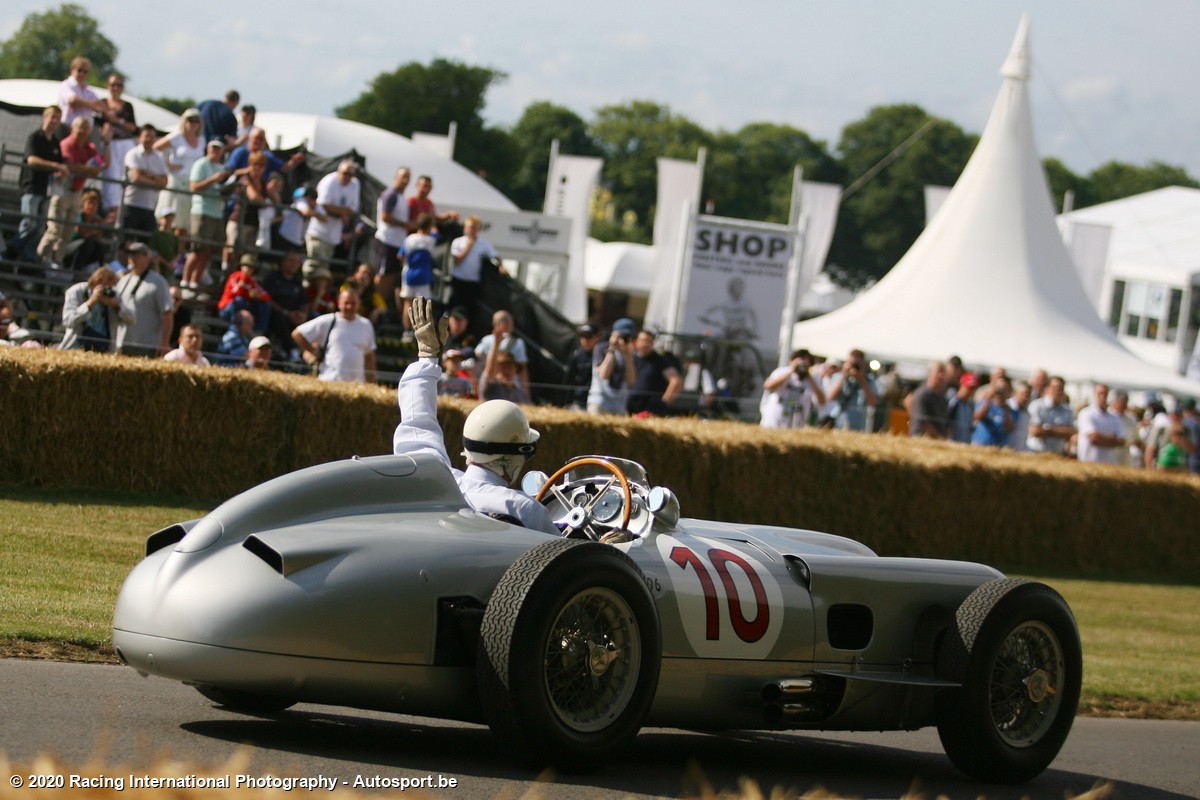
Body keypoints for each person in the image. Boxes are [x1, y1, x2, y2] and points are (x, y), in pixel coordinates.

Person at [393, 297, 556, 535]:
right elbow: (572, 561)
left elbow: (417, 425)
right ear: (511, 458)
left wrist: (427, 358)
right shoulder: (524, 509)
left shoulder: (436, 483)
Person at [38, 115, 107, 266]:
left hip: (77, 192)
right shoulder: (67, 144)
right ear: (72, 129)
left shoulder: (90, 148)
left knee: (67, 233)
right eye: (80, 128)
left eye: (86, 129)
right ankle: (40, 260)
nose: (82, 132)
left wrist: (106, 143)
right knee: (54, 230)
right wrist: (88, 169)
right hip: (62, 190)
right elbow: (70, 166)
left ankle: (57, 261)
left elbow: (102, 165)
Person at [13, 106, 68, 264]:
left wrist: (61, 171)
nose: (54, 121)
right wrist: (55, 166)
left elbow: (61, 163)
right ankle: (12, 250)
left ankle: (27, 257)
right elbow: (32, 160)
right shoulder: (35, 137)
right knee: (29, 223)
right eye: (52, 117)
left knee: (39, 227)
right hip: (31, 187)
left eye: (58, 118)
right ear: (45, 117)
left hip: (47, 190)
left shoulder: (56, 143)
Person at [180, 140, 231, 300]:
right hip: (202, 211)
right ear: (207, 149)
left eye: (219, 149)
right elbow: (194, 187)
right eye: (213, 148)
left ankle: (194, 284)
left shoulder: (221, 168)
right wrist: (215, 179)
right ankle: (185, 282)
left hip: (217, 213)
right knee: (197, 249)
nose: (216, 151)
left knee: (208, 251)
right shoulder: (201, 164)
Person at [292, 288, 377, 383]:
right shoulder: (328, 321)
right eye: (346, 303)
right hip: (329, 381)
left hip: (356, 385)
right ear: (339, 303)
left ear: (359, 303)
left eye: (353, 303)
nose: (349, 307)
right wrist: (314, 351)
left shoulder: (366, 325)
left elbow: (369, 356)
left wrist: (371, 382)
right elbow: (297, 334)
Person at [113, 242, 173, 357]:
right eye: (130, 255)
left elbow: (167, 313)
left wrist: (164, 343)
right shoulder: (123, 281)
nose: (132, 258)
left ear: (147, 257)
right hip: (123, 341)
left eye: (137, 255)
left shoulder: (158, 282)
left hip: (147, 344)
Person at [58, 267, 134, 352]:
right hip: (76, 347)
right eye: (103, 283)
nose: (106, 288)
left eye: (110, 284)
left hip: (104, 349)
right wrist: (90, 303)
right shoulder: (77, 291)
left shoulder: (114, 295)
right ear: (95, 281)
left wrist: (115, 305)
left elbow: (131, 320)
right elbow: (68, 321)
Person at [153, 108, 205, 229]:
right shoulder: (177, 136)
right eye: (190, 120)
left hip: (191, 183)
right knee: (169, 215)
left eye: (196, 120)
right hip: (176, 180)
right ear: (184, 121)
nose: (193, 123)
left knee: (184, 222)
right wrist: (168, 164)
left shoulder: (201, 140)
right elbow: (156, 148)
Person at [306, 159, 360, 265]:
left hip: (333, 236)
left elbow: (354, 209)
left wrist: (339, 211)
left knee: (324, 269)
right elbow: (324, 205)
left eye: (350, 174)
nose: (347, 177)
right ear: (338, 171)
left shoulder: (355, 184)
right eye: (345, 173)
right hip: (318, 233)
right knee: (314, 267)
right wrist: (343, 213)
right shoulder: (329, 181)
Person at [122, 124, 169, 241]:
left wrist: (148, 175)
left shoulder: (158, 157)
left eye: (152, 136)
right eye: (146, 136)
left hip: (149, 207)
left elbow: (165, 181)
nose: (149, 139)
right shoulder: (133, 154)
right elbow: (137, 177)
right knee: (127, 242)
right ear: (139, 137)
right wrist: (155, 182)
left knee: (146, 243)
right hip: (131, 203)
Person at [99, 72, 139, 210]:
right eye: (113, 85)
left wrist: (117, 120)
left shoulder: (127, 106)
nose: (116, 88)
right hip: (109, 143)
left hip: (125, 142)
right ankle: (110, 207)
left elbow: (133, 127)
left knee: (125, 174)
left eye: (119, 85)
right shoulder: (102, 103)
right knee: (110, 175)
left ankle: (124, 206)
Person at [374, 166, 412, 308]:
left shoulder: (402, 197)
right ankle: (376, 305)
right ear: (396, 177)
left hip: (396, 243)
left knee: (390, 276)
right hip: (386, 240)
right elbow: (385, 216)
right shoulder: (391, 194)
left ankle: (381, 306)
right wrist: (406, 224)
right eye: (403, 176)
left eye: (408, 177)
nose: (405, 180)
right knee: (383, 275)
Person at [759, 348, 824, 428]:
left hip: (797, 423)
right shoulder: (781, 372)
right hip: (774, 421)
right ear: (791, 361)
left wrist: (808, 376)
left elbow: (822, 401)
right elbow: (768, 386)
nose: (802, 364)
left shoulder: (813, 379)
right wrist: (792, 371)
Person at [587, 318, 637, 415]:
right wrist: (612, 348)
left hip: (619, 406)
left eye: (628, 336)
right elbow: (604, 375)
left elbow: (631, 381)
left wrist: (628, 356)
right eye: (622, 335)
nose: (625, 339)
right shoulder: (601, 348)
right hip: (600, 403)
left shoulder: (629, 353)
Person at [260, 251, 310, 349]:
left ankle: (306, 350)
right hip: (277, 313)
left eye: (297, 262)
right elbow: (267, 299)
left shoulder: (298, 281)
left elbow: (304, 302)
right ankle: (292, 350)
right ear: (283, 262)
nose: (294, 264)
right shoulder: (273, 277)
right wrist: (286, 313)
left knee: (312, 318)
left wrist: (303, 314)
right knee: (279, 319)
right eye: (291, 261)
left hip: (294, 314)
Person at [449, 214, 498, 314]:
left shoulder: (484, 244)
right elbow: (456, 261)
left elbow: (495, 256)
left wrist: (501, 266)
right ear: (466, 228)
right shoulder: (458, 242)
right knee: (453, 308)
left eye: (475, 227)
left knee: (469, 310)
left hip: (472, 282)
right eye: (471, 227)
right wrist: (468, 248)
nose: (472, 230)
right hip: (457, 280)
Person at [626, 329, 681, 417]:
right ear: (635, 342)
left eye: (649, 341)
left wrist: (663, 403)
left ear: (653, 343)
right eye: (643, 340)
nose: (645, 344)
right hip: (630, 405)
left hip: (650, 409)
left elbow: (675, 381)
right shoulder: (631, 358)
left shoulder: (660, 360)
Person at [398, 213, 438, 332]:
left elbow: (400, 255)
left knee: (408, 302)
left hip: (409, 274)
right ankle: (420, 331)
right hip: (424, 275)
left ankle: (407, 330)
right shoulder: (432, 240)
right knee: (423, 304)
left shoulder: (409, 239)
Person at [826, 349, 878, 432]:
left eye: (856, 364)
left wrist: (861, 379)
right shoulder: (838, 377)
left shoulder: (869, 380)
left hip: (858, 426)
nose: (853, 367)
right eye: (851, 363)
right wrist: (844, 375)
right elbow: (831, 397)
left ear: (863, 364)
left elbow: (873, 401)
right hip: (838, 422)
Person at [217, 253, 271, 332]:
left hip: (243, 309)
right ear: (241, 266)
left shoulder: (252, 281)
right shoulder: (235, 276)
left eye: (251, 267)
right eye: (246, 266)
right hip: (227, 309)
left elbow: (266, 296)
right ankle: (235, 329)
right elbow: (237, 291)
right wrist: (248, 291)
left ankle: (258, 331)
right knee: (239, 300)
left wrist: (258, 296)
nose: (249, 269)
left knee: (265, 304)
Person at [1076, 384, 1127, 464]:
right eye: (1100, 393)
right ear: (1094, 395)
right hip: (1088, 463)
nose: (1103, 396)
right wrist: (1112, 440)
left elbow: (1122, 441)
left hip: (1108, 465)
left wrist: (1101, 438)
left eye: (1105, 394)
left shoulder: (1115, 417)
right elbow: (1094, 438)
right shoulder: (1086, 413)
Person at [1026, 375, 1076, 455]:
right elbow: (1035, 431)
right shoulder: (1037, 405)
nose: (1058, 391)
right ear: (1048, 388)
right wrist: (1061, 431)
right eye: (1055, 388)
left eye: (1060, 388)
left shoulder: (1067, 410)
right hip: (1036, 453)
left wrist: (1047, 429)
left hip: (1056, 455)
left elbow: (1071, 432)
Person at [907, 361, 950, 438]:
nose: (941, 376)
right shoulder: (922, 394)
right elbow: (923, 423)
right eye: (939, 372)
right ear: (930, 374)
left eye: (943, 373)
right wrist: (939, 438)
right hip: (921, 440)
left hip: (936, 442)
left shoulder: (943, 398)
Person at [564, 324, 600, 410]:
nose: (584, 340)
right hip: (579, 402)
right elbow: (569, 381)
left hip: (598, 401)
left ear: (596, 338)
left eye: (588, 337)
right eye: (581, 336)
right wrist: (567, 403)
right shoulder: (576, 356)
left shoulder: (602, 354)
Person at [970, 376, 1014, 447]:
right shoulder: (984, 403)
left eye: (1004, 388)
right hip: (979, 445)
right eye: (998, 387)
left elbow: (1009, 428)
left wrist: (1005, 410)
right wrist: (988, 399)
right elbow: (977, 417)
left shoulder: (1009, 410)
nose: (1001, 391)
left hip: (996, 448)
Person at [1006, 380, 1033, 451]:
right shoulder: (1005, 407)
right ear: (1015, 393)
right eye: (1023, 394)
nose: (1025, 398)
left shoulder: (1027, 414)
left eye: (1028, 395)